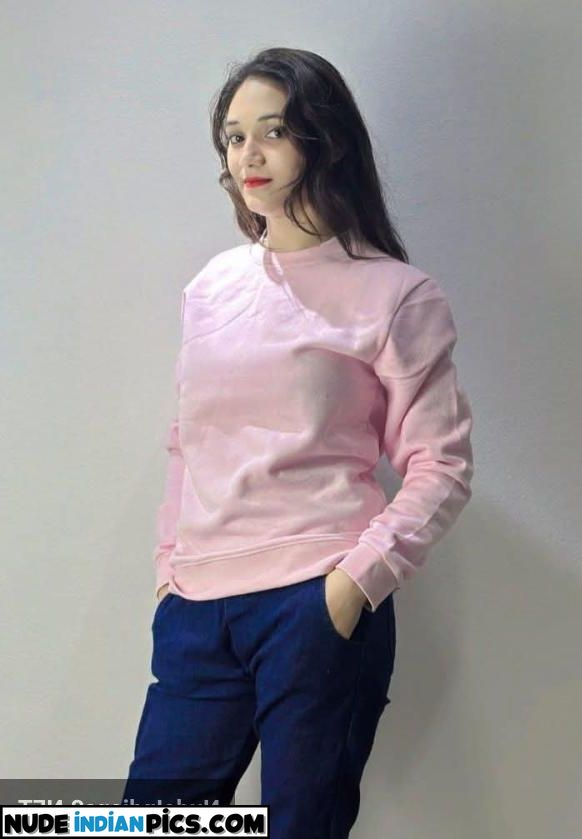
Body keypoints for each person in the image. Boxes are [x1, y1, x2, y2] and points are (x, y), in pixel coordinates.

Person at [121, 47, 474, 838]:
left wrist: (353, 584)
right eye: (234, 136)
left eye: (273, 131)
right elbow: (189, 442)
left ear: (325, 139)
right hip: (197, 610)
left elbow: (441, 463)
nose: (248, 154)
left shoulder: (395, 294)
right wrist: (170, 568)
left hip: (314, 602)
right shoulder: (212, 287)